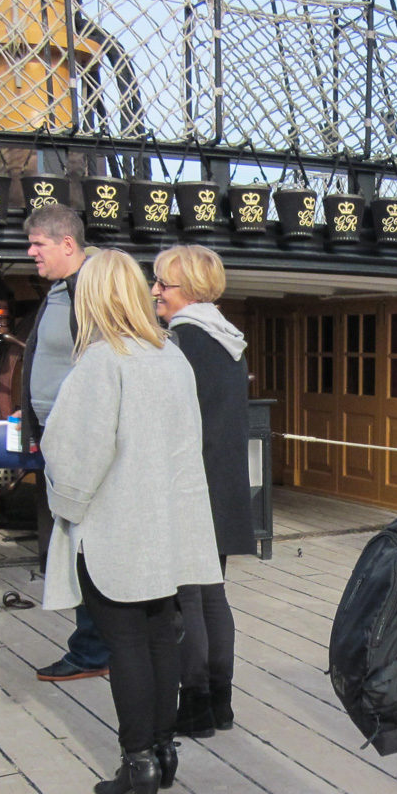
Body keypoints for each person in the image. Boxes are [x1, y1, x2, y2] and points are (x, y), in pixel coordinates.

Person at [39, 248, 222, 794]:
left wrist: (65, 505)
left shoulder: (102, 361)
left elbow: (75, 456)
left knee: (125, 647)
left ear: (92, 298)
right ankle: (163, 753)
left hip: (116, 528)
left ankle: (138, 760)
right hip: (167, 526)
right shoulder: (171, 357)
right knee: (159, 639)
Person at [151, 245, 253, 738]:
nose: (154, 291)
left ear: (188, 289)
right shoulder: (228, 340)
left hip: (189, 486)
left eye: (162, 284)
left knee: (187, 600)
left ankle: (194, 706)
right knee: (213, 596)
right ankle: (220, 704)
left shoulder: (181, 342)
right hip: (225, 484)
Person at [15, 204, 112, 683]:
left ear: (68, 244)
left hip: (80, 443)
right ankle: (97, 645)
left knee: (87, 548)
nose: (30, 252)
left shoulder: (93, 288)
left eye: (38, 243)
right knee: (75, 545)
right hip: (58, 439)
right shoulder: (59, 288)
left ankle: (96, 650)